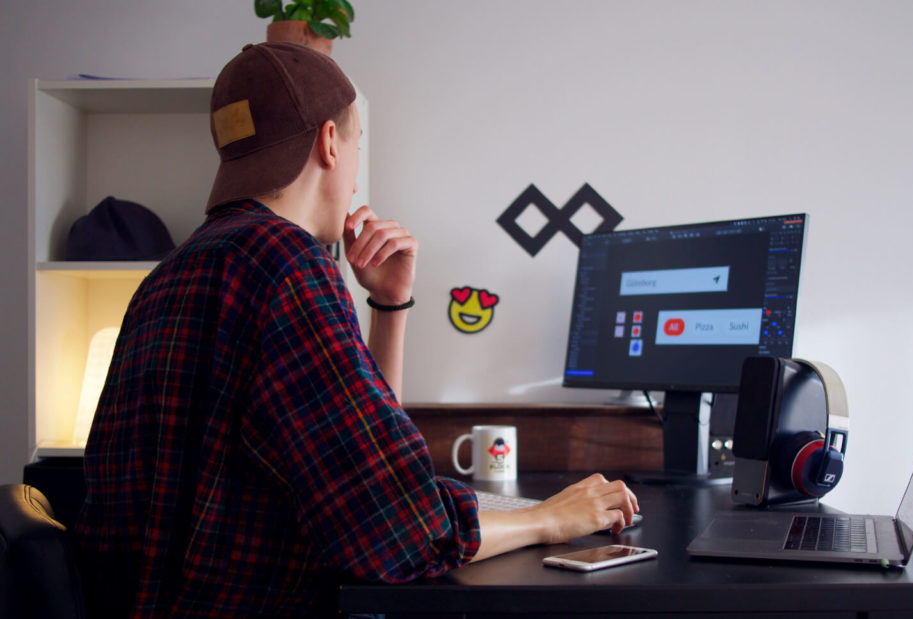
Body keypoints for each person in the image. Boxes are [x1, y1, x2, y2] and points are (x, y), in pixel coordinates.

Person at [74, 42, 639, 618]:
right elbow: (398, 532)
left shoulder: (174, 269)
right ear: (328, 142)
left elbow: (366, 458)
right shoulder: (284, 262)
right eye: (357, 146)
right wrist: (548, 518)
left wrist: (388, 306)